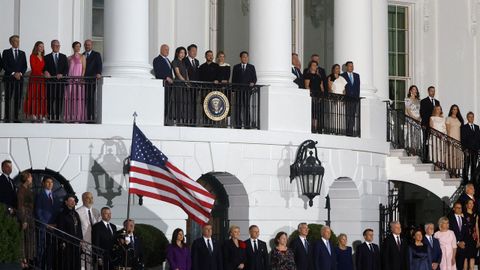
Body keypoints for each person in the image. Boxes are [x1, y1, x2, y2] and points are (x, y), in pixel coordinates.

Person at [34, 176, 60, 270]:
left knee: (51, 250)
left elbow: (58, 212)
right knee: (41, 249)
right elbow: (38, 211)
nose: (50, 184)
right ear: (43, 183)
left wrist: (56, 224)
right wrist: (46, 224)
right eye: (48, 182)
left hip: (54, 228)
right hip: (43, 227)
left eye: (52, 182)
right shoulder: (39, 195)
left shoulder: (55, 196)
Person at [2, 35, 27, 122]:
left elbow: (25, 66)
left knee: (18, 99)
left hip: (19, 79)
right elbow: (4, 65)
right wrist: (13, 73)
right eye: (15, 41)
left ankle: (16, 118)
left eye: (18, 41)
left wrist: (20, 73)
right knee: (8, 98)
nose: (17, 42)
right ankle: (7, 117)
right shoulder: (6, 52)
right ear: (11, 42)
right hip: (9, 78)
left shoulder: (22, 53)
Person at [44, 39, 69, 122]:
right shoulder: (46, 57)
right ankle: (50, 117)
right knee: (50, 100)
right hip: (50, 83)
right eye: (55, 45)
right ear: (51, 46)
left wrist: (62, 74)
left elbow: (66, 68)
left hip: (60, 82)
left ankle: (58, 118)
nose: (57, 47)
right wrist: (45, 71)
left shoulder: (63, 56)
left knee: (59, 99)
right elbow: (44, 68)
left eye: (58, 45)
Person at [56, 194, 83, 270]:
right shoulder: (62, 215)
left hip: (76, 242)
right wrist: (63, 241)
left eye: (74, 201)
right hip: (67, 243)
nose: (72, 202)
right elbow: (60, 229)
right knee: (67, 262)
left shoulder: (76, 213)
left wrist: (81, 239)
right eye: (70, 200)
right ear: (66, 202)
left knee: (76, 262)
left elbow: (79, 228)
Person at [231, 51, 257, 128]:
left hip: (247, 91)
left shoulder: (251, 67)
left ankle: (247, 124)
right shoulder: (236, 67)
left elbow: (254, 78)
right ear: (240, 58)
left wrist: (253, 83)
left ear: (248, 58)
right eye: (243, 57)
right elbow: (233, 79)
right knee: (238, 107)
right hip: (238, 91)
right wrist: (233, 90)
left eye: (246, 57)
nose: (245, 58)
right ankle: (238, 124)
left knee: (246, 107)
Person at [64, 41, 86, 122]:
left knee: (78, 98)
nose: (78, 48)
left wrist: (81, 78)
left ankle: (78, 117)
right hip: (70, 80)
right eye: (76, 46)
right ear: (73, 47)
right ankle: (70, 117)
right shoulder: (69, 58)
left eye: (79, 46)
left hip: (78, 80)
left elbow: (84, 68)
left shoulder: (83, 57)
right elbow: (67, 69)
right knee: (70, 98)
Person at [24, 41, 46, 120]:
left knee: (41, 96)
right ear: (36, 47)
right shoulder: (32, 56)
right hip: (34, 78)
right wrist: (41, 74)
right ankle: (33, 113)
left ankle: (40, 113)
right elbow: (33, 67)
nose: (42, 48)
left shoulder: (44, 57)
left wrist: (44, 73)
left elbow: (44, 69)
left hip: (41, 79)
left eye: (43, 46)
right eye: (40, 46)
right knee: (33, 96)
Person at [17, 171, 34, 268]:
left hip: (30, 218)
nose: (31, 179)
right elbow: (20, 206)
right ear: (27, 178)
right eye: (30, 177)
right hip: (25, 218)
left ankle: (27, 261)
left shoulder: (28, 189)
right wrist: (23, 220)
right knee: (23, 241)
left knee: (29, 241)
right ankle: (24, 261)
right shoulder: (21, 190)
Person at [420, 86, 441, 160]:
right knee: (426, 141)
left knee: (434, 142)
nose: (433, 92)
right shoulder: (423, 101)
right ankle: (425, 157)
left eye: (434, 91)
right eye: (431, 91)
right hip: (426, 124)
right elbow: (422, 113)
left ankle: (433, 157)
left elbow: (439, 113)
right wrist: (425, 124)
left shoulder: (437, 102)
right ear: (428, 91)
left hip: (435, 125)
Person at [83, 39, 102, 121]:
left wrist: (99, 73)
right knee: (84, 98)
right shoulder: (82, 55)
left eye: (89, 45)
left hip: (92, 79)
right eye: (86, 45)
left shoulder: (96, 54)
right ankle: (85, 116)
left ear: (91, 45)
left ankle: (91, 117)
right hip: (83, 80)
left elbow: (99, 65)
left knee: (91, 98)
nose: (87, 46)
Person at [304, 61, 324, 133]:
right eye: (313, 65)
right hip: (312, 96)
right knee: (312, 112)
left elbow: (321, 87)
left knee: (317, 112)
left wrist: (321, 95)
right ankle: (312, 128)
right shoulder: (308, 75)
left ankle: (316, 127)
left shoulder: (319, 76)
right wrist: (311, 95)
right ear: (310, 66)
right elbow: (307, 86)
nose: (315, 67)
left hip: (318, 96)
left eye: (316, 65)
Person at [461, 112, 480, 183]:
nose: (471, 118)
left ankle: (473, 180)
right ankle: (465, 179)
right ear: (467, 118)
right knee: (466, 164)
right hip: (468, 150)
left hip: (475, 150)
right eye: (469, 117)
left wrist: (478, 148)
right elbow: (463, 139)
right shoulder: (464, 127)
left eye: (472, 117)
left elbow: (478, 138)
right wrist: (465, 150)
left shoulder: (477, 127)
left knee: (474, 165)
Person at [448, 202, 467, 270]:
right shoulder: (450, 219)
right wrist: (457, 242)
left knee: (460, 267)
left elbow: (466, 233)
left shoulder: (464, 219)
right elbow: (449, 233)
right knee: (452, 266)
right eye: (457, 208)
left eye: (460, 208)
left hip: (462, 247)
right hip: (453, 247)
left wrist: (464, 242)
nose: (459, 209)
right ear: (453, 209)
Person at [462, 199, 478, 270]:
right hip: (466, 238)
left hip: (474, 239)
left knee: (472, 257)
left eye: (472, 203)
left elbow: (476, 227)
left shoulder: (475, 215)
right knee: (465, 257)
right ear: (466, 205)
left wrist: (479, 240)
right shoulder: (463, 214)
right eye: (469, 203)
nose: (471, 205)